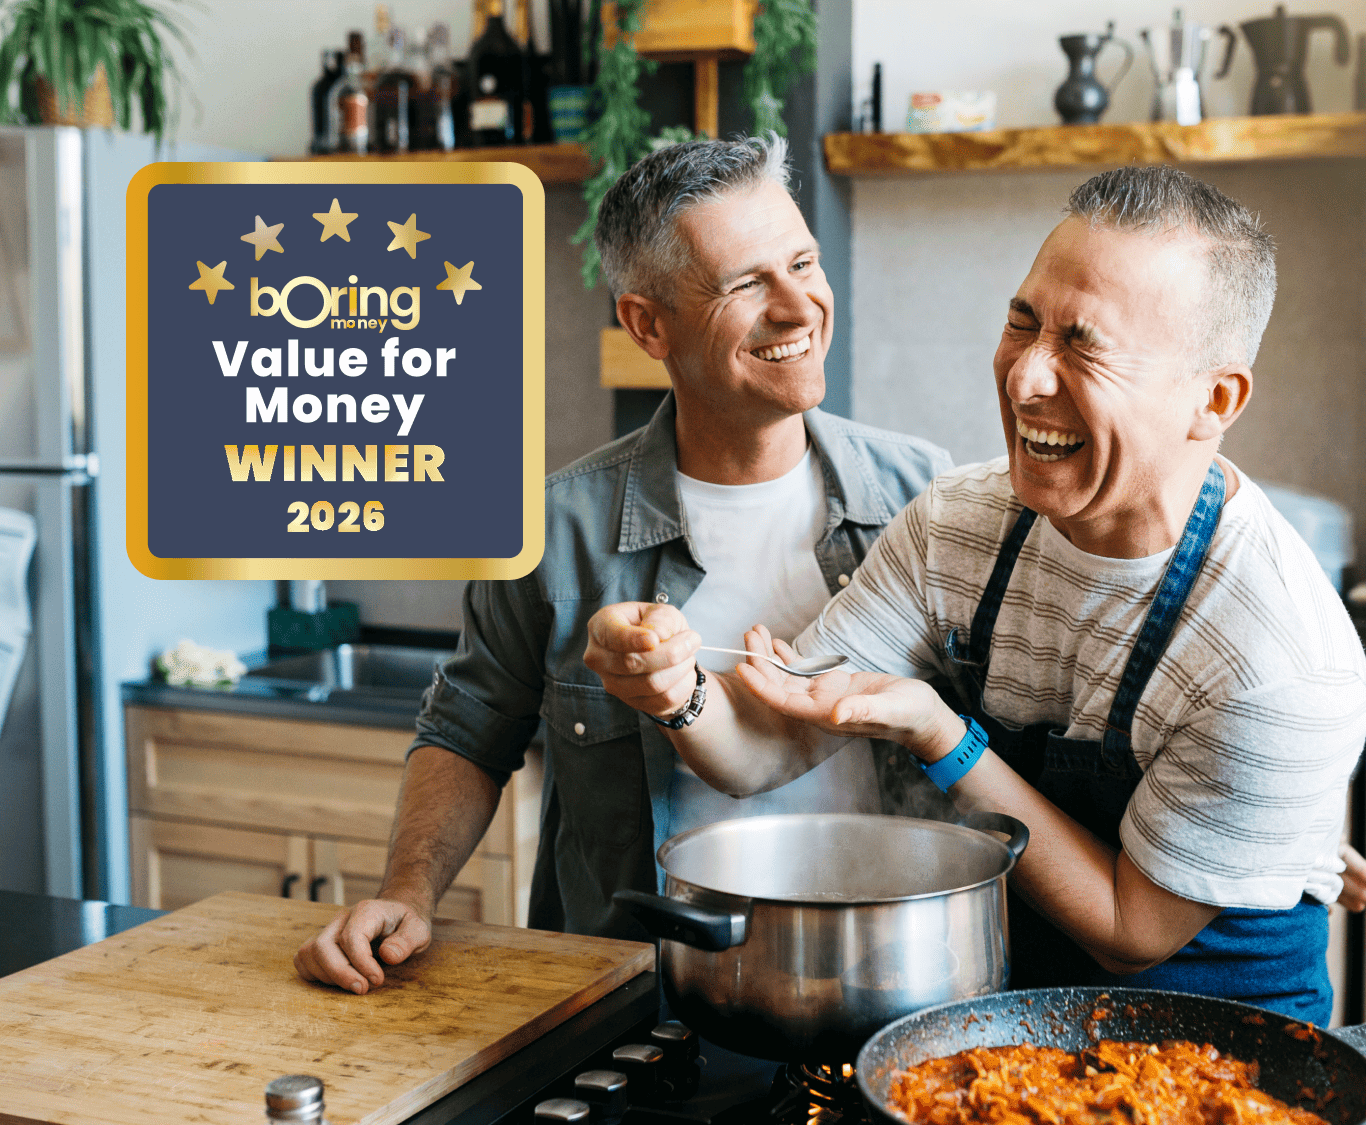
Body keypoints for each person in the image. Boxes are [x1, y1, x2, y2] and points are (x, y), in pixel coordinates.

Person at [584, 165, 1366, 1024]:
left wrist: (943, 736)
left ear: (1212, 399)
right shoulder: (958, 525)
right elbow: (769, 743)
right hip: (1003, 1032)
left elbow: (1129, 928)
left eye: (1083, 343)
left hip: (1213, 1053)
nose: (1025, 377)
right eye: (1021, 322)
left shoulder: (1280, 660)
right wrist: (677, 693)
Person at [292, 135, 952, 994]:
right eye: (748, 283)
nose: (799, 306)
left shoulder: (928, 495)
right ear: (647, 323)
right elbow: (466, 729)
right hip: (639, 999)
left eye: (804, 262)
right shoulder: (547, 529)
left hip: (888, 984)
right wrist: (407, 891)